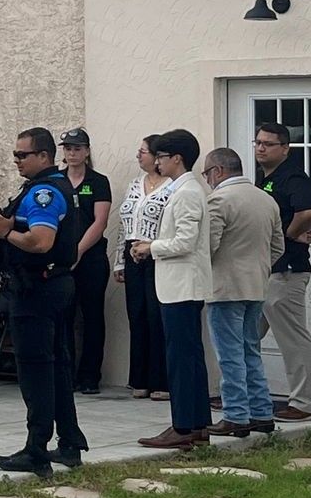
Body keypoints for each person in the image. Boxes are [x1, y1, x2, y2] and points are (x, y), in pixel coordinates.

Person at [0, 128, 88, 478]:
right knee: (57, 366)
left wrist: (5, 232)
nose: (17, 160)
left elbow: (41, 241)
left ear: (44, 156)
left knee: (35, 370)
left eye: (22, 155)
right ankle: (70, 442)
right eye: (15, 155)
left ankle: (36, 449)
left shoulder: (45, 191)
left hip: (37, 289)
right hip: (53, 285)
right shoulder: (52, 187)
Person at [132, 130, 213, 450]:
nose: (157, 162)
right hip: (179, 286)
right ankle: (197, 424)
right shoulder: (181, 189)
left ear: (176, 159)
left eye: (162, 156)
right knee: (188, 357)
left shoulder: (188, 191)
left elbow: (185, 241)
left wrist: (150, 247)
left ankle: (183, 426)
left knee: (181, 359)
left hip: (182, 286)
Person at [201, 147, 283, 438]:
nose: (207, 180)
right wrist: (258, 268)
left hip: (225, 287)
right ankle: (262, 412)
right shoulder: (266, 199)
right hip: (256, 285)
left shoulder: (219, 200)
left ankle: (236, 415)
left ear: (218, 171)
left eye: (207, 173)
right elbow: (278, 247)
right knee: (251, 350)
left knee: (230, 354)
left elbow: (208, 246)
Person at [254, 122, 311, 422]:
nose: (261, 148)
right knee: (246, 336)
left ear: (285, 148)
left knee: (292, 339)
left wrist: (289, 237)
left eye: (268, 144)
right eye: (258, 142)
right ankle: (243, 394)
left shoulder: (293, 176)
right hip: (264, 272)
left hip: (288, 272)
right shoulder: (262, 178)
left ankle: (303, 403)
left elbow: (308, 212)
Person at [117, 135, 172, 399]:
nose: (139, 156)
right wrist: (120, 259)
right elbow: (123, 225)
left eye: (143, 152)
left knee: (156, 316)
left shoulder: (172, 186)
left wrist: (152, 246)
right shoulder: (135, 185)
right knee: (136, 315)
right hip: (132, 254)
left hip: (157, 254)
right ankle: (139, 379)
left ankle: (161, 380)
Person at [59, 128, 114, 395]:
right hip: (61, 260)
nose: (72, 153)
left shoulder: (98, 181)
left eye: (77, 148)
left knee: (92, 317)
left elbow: (100, 222)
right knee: (64, 317)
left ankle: (90, 375)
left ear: (87, 151)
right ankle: (66, 374)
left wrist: (77, 252)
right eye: (68, 148)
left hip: (90, 258)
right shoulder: (57, 180)